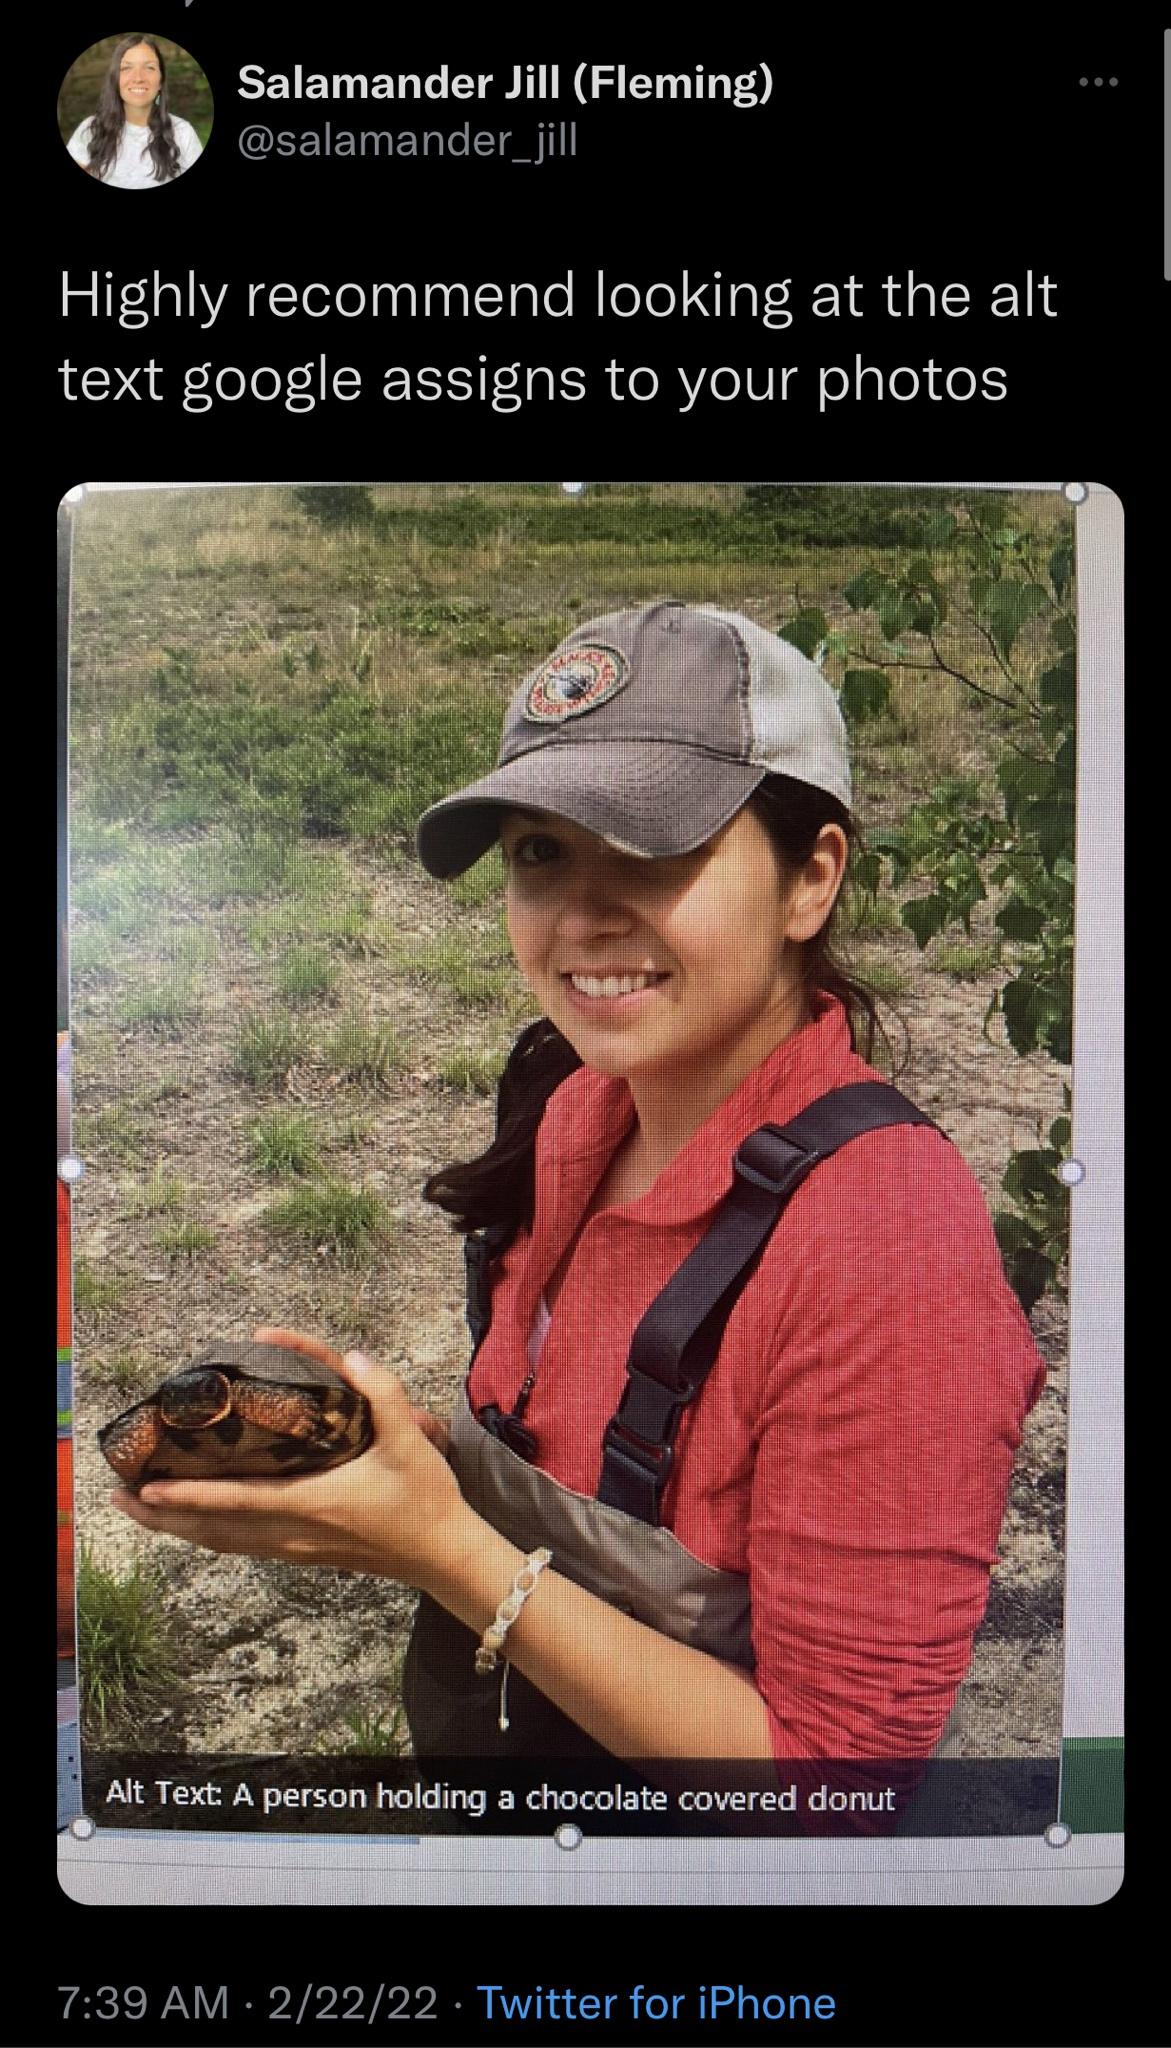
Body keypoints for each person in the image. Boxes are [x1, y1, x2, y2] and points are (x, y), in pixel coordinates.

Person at [115, 602, 1046, 1766]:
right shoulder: (578, 1104)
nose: (582, 916)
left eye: (656, 848)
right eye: (539, 852)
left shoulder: (887, 1248)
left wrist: (437, 1549)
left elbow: (832, 1784)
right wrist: (403, 1458)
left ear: (811, 878)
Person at [66, 37, 203, 189]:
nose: (138, 78)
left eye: (149, 68)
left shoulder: (183, 133)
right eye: (126, 68)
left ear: (161, 81)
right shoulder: (91, 129)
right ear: (115, 79)